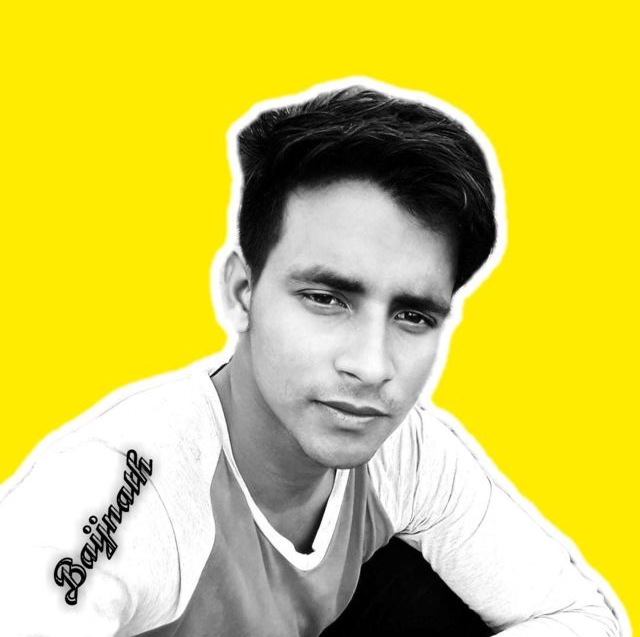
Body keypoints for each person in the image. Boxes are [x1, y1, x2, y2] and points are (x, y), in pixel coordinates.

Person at [0, 82, 623, 636]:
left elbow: (579, 616)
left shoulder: (406, 454)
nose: (372, 366)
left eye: (413, 316)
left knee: (421, 593)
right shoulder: (122, 490)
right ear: (242, 292)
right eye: (326, 299)